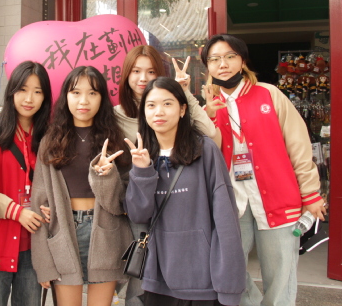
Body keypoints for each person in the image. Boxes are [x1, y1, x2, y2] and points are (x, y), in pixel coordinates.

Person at [201, 34, 326, 306]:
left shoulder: (269, 94)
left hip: (278, 196)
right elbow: (204, 156)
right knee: (229, 268)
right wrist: (208, 115)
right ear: (208, 67)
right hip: (231, 202)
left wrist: (310, 193)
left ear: (242, 60)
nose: (223, 64)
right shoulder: (208, 108)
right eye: (214, 59)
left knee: (281, 273)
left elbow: (298, 144)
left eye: (230, 56)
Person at [124, 77, 245, 306]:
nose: (159, 111)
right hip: (158, 279)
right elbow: (139, 215)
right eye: (151, 105)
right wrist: (141, 171)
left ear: (182, 110)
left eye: (167, 104)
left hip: (202, 281)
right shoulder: (144, 155)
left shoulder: (205, 150)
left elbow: (226, 220)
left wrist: (230, 287)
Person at [114, 45, 218, 306]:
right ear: (126, 75)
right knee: (139, 274)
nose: (143, 78)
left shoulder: (170, 109)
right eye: (136, 71)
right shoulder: (115, 115)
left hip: (171, 200)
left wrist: (182, 92)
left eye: (151, 72)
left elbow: (209, 133)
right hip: (134, 203)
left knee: (168, 276)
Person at [30, 66, 134, 306]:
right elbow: (39, 203)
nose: (83, 101)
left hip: (107, 233)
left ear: (102, 98)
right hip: (63, 231)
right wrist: (43, 264)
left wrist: (107, 177)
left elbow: (122, 204)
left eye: (92, 93)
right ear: (66, 97)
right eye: (76, 92)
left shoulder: (114, 140)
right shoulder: (50, 141)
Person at [0, 61, 52, 306]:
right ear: (11, 92)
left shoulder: (48, 138)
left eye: (37, 91)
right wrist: (17, 212)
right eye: (23, 89)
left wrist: (51, 206)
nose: (29, 98)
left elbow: (55, 186)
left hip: (34, 245)